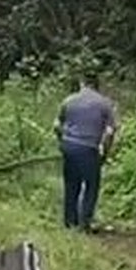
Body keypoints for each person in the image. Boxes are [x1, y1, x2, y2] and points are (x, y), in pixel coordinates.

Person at [53, 73, 117, 231]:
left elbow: (56, 125)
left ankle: (69, 222)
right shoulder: (105, 104)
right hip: (89, 148)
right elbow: (109, 131)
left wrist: (62, 141)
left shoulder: (68, 100)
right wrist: (105, 151)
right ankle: (84, 223)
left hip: (69, 146)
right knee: (91, 185)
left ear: (82, 84)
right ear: (97, 85)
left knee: (71, 184)